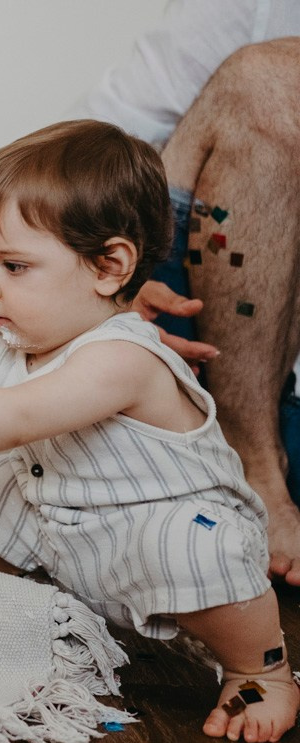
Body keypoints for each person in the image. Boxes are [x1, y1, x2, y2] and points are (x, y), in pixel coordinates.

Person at [0, 120, 298, 743]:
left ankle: (261, 671)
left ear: (109, 266)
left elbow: (15, 416)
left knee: (191, 547)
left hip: (170, 529)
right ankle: (50, 620)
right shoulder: (7, 344)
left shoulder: (121, 357)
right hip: (75, 527)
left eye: (15, 266)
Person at [82, 0, 300, 586]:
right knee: (274, 77)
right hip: (191, 303)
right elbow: (92, 140)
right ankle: (253, 464)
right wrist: (110, 282)